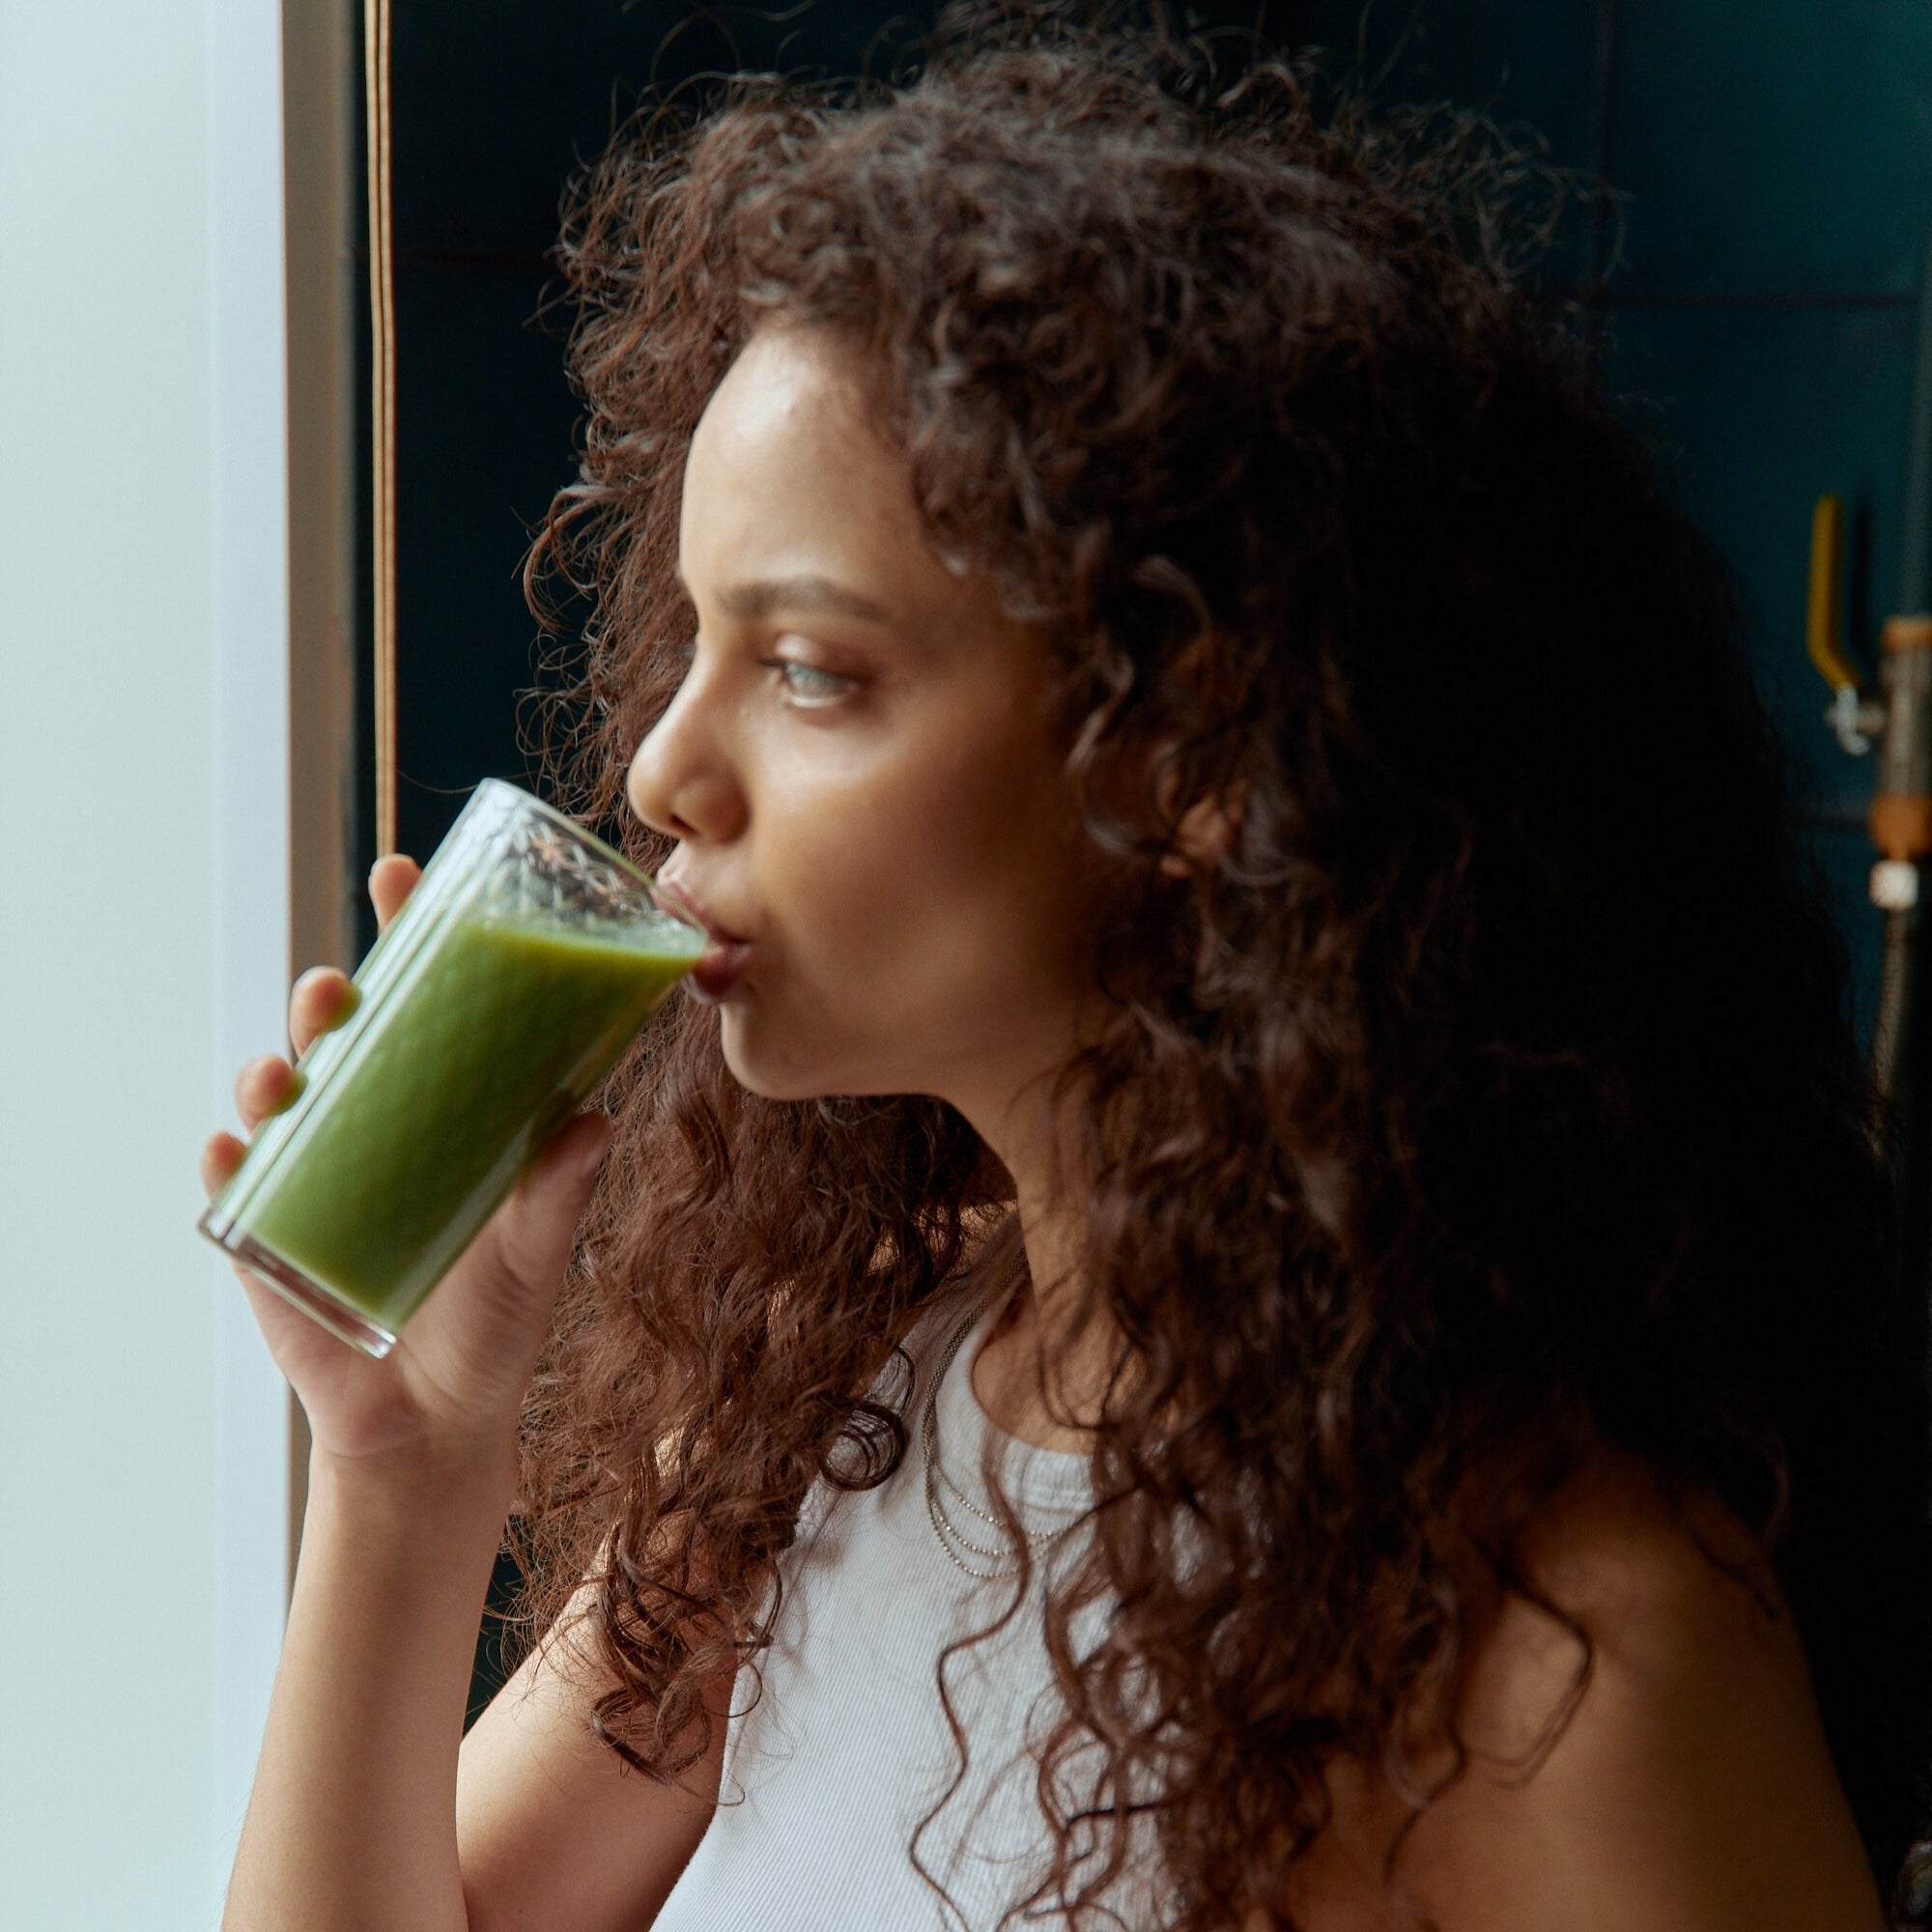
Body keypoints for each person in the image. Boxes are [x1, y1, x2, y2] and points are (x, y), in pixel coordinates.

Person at [206, 11, 1932, 1929]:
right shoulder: (835, 1405)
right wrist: (405, 1463)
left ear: (1191, 753)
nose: (660, 769)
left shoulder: (1558, 1654)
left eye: (808, 668)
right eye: (692, 636)